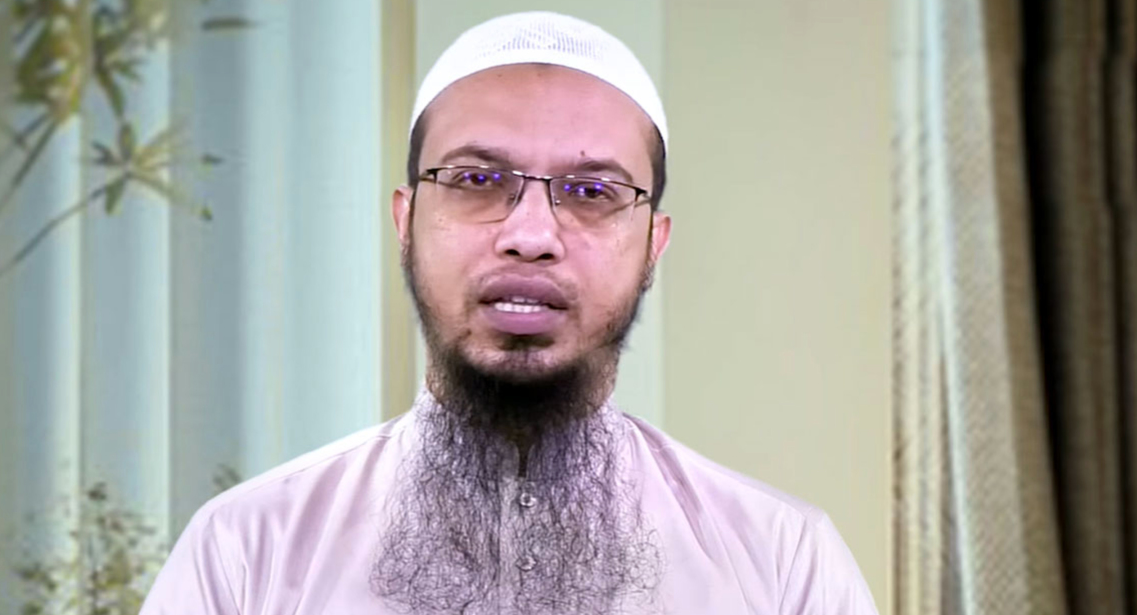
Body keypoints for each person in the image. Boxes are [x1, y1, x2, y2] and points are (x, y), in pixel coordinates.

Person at [140, 11, 879, 615]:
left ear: (653, 244)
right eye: (475, 180)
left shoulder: (781, 562)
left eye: (592, 192)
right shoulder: (248, 551)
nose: (530, 235)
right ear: (405, 222)